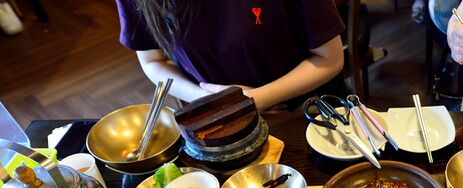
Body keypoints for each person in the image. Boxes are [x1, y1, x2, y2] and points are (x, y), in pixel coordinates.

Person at [116, 0, 345, 110]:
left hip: (299, 110)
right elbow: (152, 61)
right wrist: (206, 99)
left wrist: (257, 99)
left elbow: (330, 58)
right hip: (211, 116)